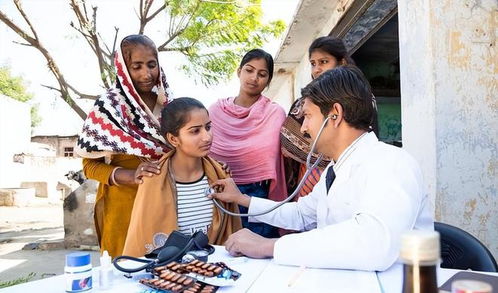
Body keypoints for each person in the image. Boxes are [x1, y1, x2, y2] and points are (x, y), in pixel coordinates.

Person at [209, 65, 433, 271]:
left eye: (307, 116)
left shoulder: (391, 163)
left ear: (334, 115)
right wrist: (242, 199)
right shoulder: (333, 170)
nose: (304, 129)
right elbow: (301, 214)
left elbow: (374, 244)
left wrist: (268, 246)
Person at [75, 34, 173, 258]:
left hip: (164, 202)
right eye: (136, 66)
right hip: (123, 204)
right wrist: (131, 175)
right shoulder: (109, 106)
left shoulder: (168, 105)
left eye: (151, 65)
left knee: (166, 269)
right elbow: (90, 167)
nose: (146, 74)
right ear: (123, 69)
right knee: (125, 267)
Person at [122, 98, 242, 257]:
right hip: (169, 274)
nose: (207, 137)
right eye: (195, 131)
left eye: (208, 127)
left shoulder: (219, 175)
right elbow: (143, 236)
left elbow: (232, 232)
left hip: (216, 268)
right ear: (173, 139)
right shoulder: (153, 179)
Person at [280, 36, 378, 197]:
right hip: (309, 174)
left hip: (345, 170)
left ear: (342, 63)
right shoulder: (307, 99)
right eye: (313, 64)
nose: (317, 69)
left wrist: (331, 155)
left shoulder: (361, 98)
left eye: (324, 62)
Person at [208, 49, 287, 238]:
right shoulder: (216, 111)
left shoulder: (274, 113)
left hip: (258, 195)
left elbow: (273, 155)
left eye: (262, 74)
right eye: (249, 70)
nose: (254, 78)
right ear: (239, 71)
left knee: (258, 249)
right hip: (219, 189)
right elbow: (204, 152)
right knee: (222, 248)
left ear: (268, 80)